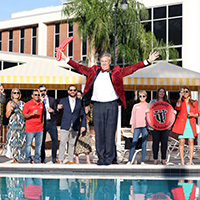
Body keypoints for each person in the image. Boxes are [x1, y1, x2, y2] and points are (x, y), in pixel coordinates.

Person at [60, 50, 159, 165]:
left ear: (109, 62)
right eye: (102, 61)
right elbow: (79, 67)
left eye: (106, 61)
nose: (104, 63)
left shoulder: (116, 71)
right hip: (97, 106)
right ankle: (101, 158)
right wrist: (65, 58)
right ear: (100, 62)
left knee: (110, 133)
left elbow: (131, 69)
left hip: (111, 105)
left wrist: (147, 61)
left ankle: (109, 158)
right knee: (99, 133)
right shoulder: (93, 71)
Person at [57, 85, 86, 164]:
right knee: (62, 142)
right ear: (68, 91)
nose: (72, 91)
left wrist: (83, 125)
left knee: (72, 143)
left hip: (75, 125)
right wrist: (57, 108)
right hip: (65, 124)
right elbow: (57, 113)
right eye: (71, 90)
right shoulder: (63, 100)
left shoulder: (80, 102)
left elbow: (83, 115)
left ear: (76, 91)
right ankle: (60, 159)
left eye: (74, 90)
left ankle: (70, 160)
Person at [172, 87, 199, 165]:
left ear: (189, 93)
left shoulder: (194, 102)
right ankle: (182, 161)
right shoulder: (181, 101)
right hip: (182, 124)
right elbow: (177, 107)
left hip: (190, 123)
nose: (185, 93)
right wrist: (180, 97)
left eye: (186, 91)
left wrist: (193, 114)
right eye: (183, 92)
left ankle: (190, 161)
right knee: (181, 142)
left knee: (191, 141)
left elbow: (197, 114)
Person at [148, 87, 171, 165]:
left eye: (163, 92)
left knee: (164, 143)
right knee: (155, 143)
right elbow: (149, 112)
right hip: (154, 127)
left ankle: (163, 159)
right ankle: (155, 159)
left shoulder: (167, 102)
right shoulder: (153, 101)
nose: (162, 93)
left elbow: (170, 112)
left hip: (165, 126)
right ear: (157, 93)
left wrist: (173, 112)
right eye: (160, 92)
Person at [127, 90, 149, 165]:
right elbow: (133, 116)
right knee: (134, 142)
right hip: (137, 127)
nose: (142, 97)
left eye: (143, 96)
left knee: (144, 144)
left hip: (145, 127)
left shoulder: (148, 106)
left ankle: (142, 161)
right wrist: (132, 126)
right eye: (140, 96)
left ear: (146, 97)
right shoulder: (135, 106)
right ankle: (130, 160)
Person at [22, 89, 44, 164]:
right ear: (32, 96)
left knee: (38, 145)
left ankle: (36, 159)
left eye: (38, 95)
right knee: (28, 145)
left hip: (39, 128)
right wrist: (32, 114)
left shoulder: (41, 104)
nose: (37, 96)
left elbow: (43, 115)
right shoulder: (27, 104)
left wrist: (42, 123)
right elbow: (24, 115)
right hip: (30, 128)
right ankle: (28, 159)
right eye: (35, 95)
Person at [38, 84, 58, 164]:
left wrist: (53, 111)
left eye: (44, 90)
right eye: (41, 90)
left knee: (55, 140)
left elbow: (57, 111)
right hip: (42, 123)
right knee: (42, 141)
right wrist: (41, 102)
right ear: (39, 91)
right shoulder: (38, 101)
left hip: (51, 122)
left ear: (46, 91)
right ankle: (42, 158)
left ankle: (54, 158)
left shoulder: (52, 99)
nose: (43, 92)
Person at [5, 88, 26, 163]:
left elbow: (25, 114)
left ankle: (19, 156)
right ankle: (14, 158)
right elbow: (7, 115)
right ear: (12, 94)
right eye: (14, 93)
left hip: (21, 124)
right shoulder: (10, 103)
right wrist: (10, 109)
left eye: (17, 93)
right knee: (13, 141)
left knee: (20, 141)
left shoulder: (23, 103)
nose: (16, 94)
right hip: (13, 124)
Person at [75, 90, 92, 164]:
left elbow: (86, 112)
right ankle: (76, 159)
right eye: (77, 95)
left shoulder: (84, 103)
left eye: (80, 95)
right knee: (77, 141)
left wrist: (85, 104)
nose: (78, 96)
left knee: (86, 140)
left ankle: (87, 159)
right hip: (76, 123)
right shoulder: (73, 103)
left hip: (84, 123)